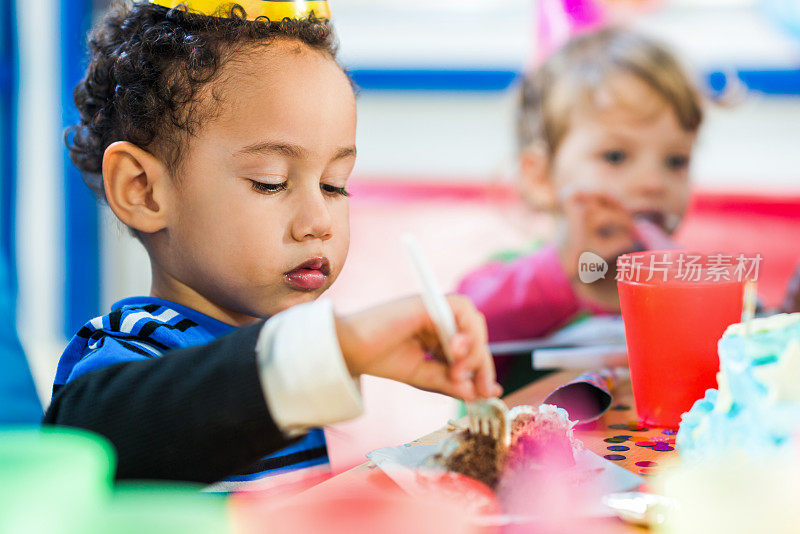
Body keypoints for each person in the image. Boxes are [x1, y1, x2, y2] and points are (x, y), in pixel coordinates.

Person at [45, 0, 500, 486]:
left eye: (334, 184)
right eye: (270, 182)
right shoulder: (128, 353)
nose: (318, 221)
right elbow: (92, 441)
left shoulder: (283, 356)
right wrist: (335, 350)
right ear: (143, 190)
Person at [457, 29, 703, 387]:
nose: (654, 182)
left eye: (676, 161)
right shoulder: (512, 279)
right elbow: (453, 333)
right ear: (542, 178)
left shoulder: (682, 284)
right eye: (616, 156)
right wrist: (564, 270)